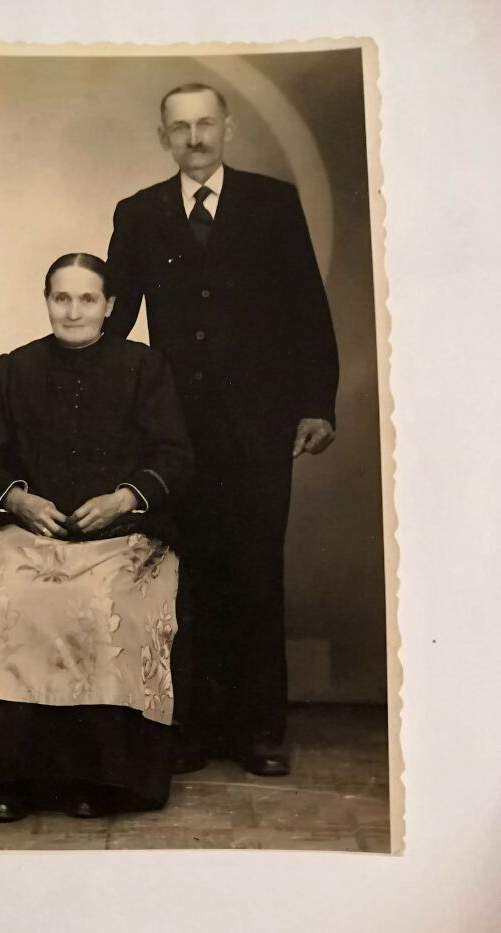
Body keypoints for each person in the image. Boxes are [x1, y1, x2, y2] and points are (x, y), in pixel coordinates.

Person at [105, 83, 339, 777]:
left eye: (206, 123)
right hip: (176, 432)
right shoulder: (139, 213)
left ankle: (260, 730)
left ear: (227, 127)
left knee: (256, 569)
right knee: (186, 574)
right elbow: (116, 326)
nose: (196, 137)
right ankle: (192, 728)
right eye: (180, 128)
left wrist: (316, 403)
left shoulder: (273, 204)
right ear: (163, 137)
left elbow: (308, 311)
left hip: (261, 426)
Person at [0, 252, 193, 822]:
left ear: (109, 307)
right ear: (47, 301)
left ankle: (100, 780)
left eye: (86, 299)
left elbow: (176, 458)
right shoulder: (15, 368)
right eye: (61, 298)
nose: (73, 310)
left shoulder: (144, 367)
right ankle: (1, 778)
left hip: (121, 534)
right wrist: (20, 500)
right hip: (26, 530)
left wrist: (125, 498)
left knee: (101, 604)